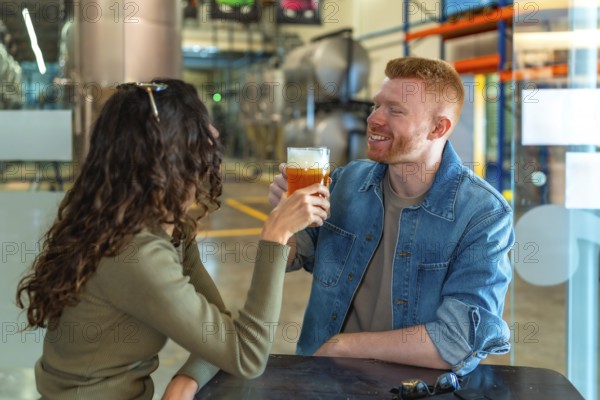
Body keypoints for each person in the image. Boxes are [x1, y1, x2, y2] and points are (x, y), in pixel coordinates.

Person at [16, 79, 330, 399]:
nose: (214, 140)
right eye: (201, 133)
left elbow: (221, 333)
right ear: (174, 157)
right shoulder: (135, 252)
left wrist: (187, 378)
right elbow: (247, 354)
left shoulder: (160, 229)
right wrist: (276, 236)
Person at [268, 56, 514, 376]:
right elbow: (291, 258)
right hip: (323, 381)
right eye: (376, 105)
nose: (374, 119)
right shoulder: (347, 182)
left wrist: (344, 346)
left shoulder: (482, 214)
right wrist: (281, 222)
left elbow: (459, 337)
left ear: (438, 127)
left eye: (395, 110)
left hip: (412, 387)